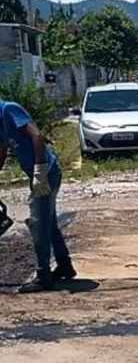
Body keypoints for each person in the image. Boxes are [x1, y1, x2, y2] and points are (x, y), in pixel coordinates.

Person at [0, 99, 76, 293]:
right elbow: (2, 150)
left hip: (47, 172)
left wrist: (40, 171)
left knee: (38, 224)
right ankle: (65, 266)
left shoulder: (9, 110)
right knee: (48, 222)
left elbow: (38, 137)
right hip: (39, 173)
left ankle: (43, 276)